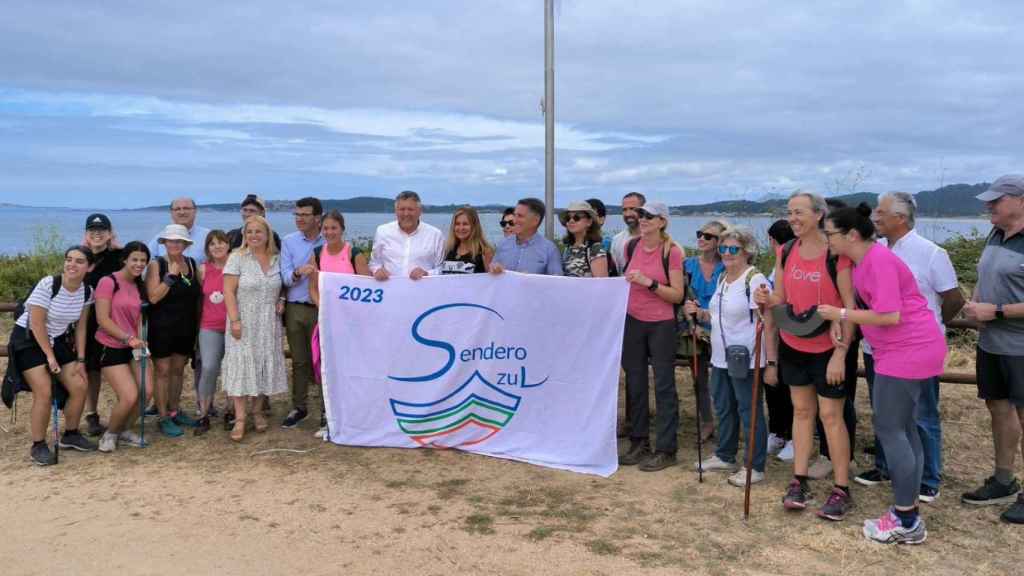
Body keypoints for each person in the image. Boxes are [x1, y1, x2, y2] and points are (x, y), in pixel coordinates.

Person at [816, 203, 945, 544]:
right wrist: (841, 321)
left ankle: (906, 519)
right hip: (905, 351)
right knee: (905, 430)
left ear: (852, 235)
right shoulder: (860, 259)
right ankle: (909, 511)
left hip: (907, 352)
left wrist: (840, 312)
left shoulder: (880, 261)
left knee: (891, 430)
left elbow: (889, 316)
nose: (826, 239)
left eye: (830, 234)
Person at [754, 190, 857, 521]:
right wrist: (765, 298)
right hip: (794, 344)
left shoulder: (835, 254)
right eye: (790, 213)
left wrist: (841, 355)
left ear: (819, 215)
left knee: (830, 416)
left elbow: (848, 309)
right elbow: (781, 297)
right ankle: (797, 480)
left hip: (829, 349)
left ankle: (841, 488)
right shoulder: (786, 250)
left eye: (799, 212)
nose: (793, 219)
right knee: (801, 412)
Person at [855, 192, 964, 503]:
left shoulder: (930, 253)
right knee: (885, 411)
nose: (875, 216)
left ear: (900, 218)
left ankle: (928, 476)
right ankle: (886, 466)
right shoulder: (874, 250)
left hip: (914, 350)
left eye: (881, 211)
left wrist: (932, 325)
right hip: (877, 346)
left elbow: (953, 297)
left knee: (922, 413)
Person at [961, 174, 1024, 525]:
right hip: (993, 342)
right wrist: (976, 304)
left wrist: (996, 312)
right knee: (998, 408)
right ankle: (1003, 479)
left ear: (1021, 201)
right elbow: (988, 278)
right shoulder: (996, 233)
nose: (989, 206)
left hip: (1020, 345)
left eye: (997, 201)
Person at [687, 226, 770, 486]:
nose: (726, 253)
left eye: (733, 249)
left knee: (749, 410)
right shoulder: (725, 277)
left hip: (746, 356)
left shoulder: (754, 279)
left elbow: (767, 320)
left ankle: (754, 466)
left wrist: (770, 360)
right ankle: (725, 455)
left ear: (747, 251)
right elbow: (720, 315)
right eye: (723, 248)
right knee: (724, 406)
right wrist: (700, 313)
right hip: (720, 355)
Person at [10, 246, 98, 464]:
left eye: (79, 261)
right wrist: (50, 357)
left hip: (56, 339)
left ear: (90, 267)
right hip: (28, 339)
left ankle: (71, 434)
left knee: (79, 385)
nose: (72, 265)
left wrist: (80, 360)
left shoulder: (87, 292)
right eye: (69, 259)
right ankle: (38, 445)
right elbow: (37, 323)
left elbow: (81, 327)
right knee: (44, 391)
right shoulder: (49, 284)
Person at [618, 202, 685, 472]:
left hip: (661, 324)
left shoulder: (673, 251)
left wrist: (650, 283)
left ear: (662, 222)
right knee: (634, 384)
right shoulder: (631, 246)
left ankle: (667, 448)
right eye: (641, 214)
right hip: (633, 320)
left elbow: (677, 295)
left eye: (648, 216)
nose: (642, 219)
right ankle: (639, 442)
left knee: (664, 385)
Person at [222, 216, 288, 442]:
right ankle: (240, 419)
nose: (253, 236)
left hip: (269, 321)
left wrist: (282, 298)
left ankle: (258, 411)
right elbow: (228, 292)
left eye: (258, 231)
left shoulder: (278, 258)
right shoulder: (237, 257)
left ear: (267, 234)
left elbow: (283, 285)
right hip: (243, 319)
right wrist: (235, 321)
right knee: (241, 366)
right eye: (249, 232)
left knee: (262, 364)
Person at [308, 210, 371, 437]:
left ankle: (356, 416)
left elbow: (366, 289)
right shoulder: (316, 254)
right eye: (325, 228)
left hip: (353, 325)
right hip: (327, 322)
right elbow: (313, 289)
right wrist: (324, 309)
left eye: (334, 228)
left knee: (353, 369)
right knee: (328, 369)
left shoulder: (354, 254)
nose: (329, 232)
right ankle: (329, 417)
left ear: (342, 229)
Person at [93, 242, 153, 452]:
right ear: (125, 259)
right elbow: (102, 319)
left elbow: (138, 317)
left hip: (134, 345)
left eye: (143, 261)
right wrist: (128, 338)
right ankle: (109, 434)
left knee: (147, 391)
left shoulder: (140, 285)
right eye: (135, 259)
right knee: (129, 395)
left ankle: (125, 429)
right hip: (111, 345)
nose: (139, 264)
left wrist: (139, 341)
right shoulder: (108, 282)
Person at [145, 223, 201, 437]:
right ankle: (162, 416)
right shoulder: (156, 265)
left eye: (179, 241)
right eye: (171, 240)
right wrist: (170, 278)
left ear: (186, 244)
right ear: (164, 243)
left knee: (178, 370)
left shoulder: (192, 264)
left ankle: (174, 410)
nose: (175, 244)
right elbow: (153, 297)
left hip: (185, 326)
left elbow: (197, 298)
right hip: (162, 327)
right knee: (163, 372)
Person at [280, 198, 325, 429]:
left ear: (317, 217)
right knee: (299, 361)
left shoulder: (329, 238)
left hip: (322, 309)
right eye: (297, 214)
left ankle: (328, 410)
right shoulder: (288, 242)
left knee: (324, 360)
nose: (299, 218)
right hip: (295, 308)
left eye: (305, 215)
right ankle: (299, 407)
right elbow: (285, 276)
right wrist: (299, 272)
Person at [684, 219, 728, 443]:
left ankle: (729, 423)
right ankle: (707, 422)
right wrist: (693, 325)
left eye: (708, 236)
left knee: (725, 380)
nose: (701, 238)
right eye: (700, 233)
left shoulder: (728, 266)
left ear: (719, 241)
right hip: (695, 330)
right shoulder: (688, 265)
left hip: (724, 330)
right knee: (699, 378)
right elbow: (682, 299)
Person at [81, 213, 123, 438]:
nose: (97, 234)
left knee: (118, 367)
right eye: (92, 230)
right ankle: (92, 414)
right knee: (91, 369)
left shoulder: (118, 256)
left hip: (113, 322)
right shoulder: (80, 257)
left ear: (109, 233)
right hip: (85, 323)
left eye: (101, 230)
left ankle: (122, 411)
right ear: (86, 234)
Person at [194, 230, 232, 435]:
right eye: (212, 243)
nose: (217, 246)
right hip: (209, 326)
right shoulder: (203, 270)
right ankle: (203, 413)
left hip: (233, 325)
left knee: (232, 369)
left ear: (228, 245)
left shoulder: (236, 267)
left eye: (221, 242)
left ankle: (231, 411)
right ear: (207, 248)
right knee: (208, 367)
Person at [764, 219, 796, 461]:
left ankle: (794, 437)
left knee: (790, 388)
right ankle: (778, 432)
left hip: (792, 331)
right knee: (773, 384)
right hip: (773, 331)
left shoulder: (790, 262)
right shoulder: (778, 265)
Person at [369, 190, 445, 281]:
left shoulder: (435, 235)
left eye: (410, 209)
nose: (406, 214)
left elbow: (441, 268)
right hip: (390, 291)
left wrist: (427, 273)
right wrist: (377, 270)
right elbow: (374, 263)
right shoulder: (382, 232)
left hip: (424, 292)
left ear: (420, 211)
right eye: (402, 209)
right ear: (396, 211)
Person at [490, 198, 563, 275]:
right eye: (515, 215)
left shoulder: (550, 250)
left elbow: (556, 283)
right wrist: (494, 269)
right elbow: (492, 276)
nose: (514, 220)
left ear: (535, 220)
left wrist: (532, 281)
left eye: (520, 216)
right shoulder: (503, 244)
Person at [147, 197, 210, 264]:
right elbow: (146, 263)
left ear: (195, 211)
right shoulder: (159, 239)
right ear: (171, 213)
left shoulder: (208, 236)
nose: (182, 212)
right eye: (177, 209)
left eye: (186, 208)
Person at [559, 201, 608, 278]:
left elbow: (602, 284)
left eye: (576, 218)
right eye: (568, 218)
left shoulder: (595, 249)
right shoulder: (567, 248)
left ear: (589, 222)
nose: (571, 221)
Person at [442, 207, 494, 274]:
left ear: (474, 227)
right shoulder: (449, 250)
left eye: (465, 224)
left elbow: (493, 280)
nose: (461, 228)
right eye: (457, 224)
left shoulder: (485, 252)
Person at [610, 192, 646, 274]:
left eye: (632, 209)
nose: (628, 214)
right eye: (624, 210)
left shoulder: (655, 239)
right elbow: (616, 272)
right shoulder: (617, 240)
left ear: (644, 210)